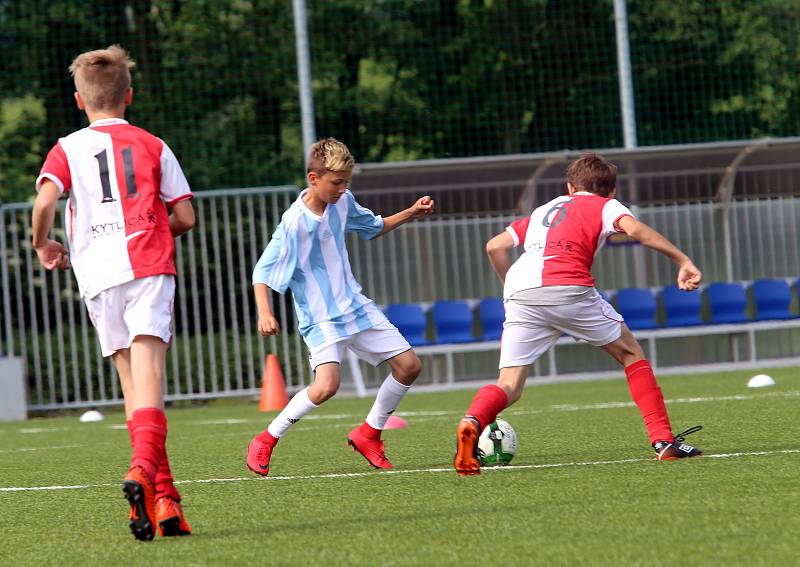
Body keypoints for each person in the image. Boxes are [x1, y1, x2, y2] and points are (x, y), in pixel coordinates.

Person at [31, 45, 195, 540]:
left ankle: (165, 501)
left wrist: (42, 243)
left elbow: (44, 203)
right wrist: (154, 228)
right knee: (150, 378)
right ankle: (143, 472)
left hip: (97, 272)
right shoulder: (154, 144)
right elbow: (185, 216)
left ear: (80, 101)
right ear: (130, 95)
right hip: (146, 262)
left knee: (133, 385)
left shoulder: (66, 147)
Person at [453, 153, 703, 475]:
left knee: (510, 384)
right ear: (611, 191)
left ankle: (472, 420)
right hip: (568, 285)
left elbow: (494, 247)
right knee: (630, 354)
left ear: (570, 186)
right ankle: (663, 441)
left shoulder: (546, 209)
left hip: (520, 291)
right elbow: (636, 231)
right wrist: (683, 261)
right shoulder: (605, 205)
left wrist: (511, 292)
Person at [246, 137, 434, 475]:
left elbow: (373, 227)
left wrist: (411, 212)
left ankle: (369, 434)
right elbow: (262, 271)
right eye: (336, 182)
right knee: (326, 387)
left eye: (346, 181)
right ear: (313, 178)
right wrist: (264, 312)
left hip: (355, 307)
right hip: (320, 318)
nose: (342, 188)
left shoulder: (343, 202)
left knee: (409, 366)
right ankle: (266, 439)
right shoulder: (293, 224)